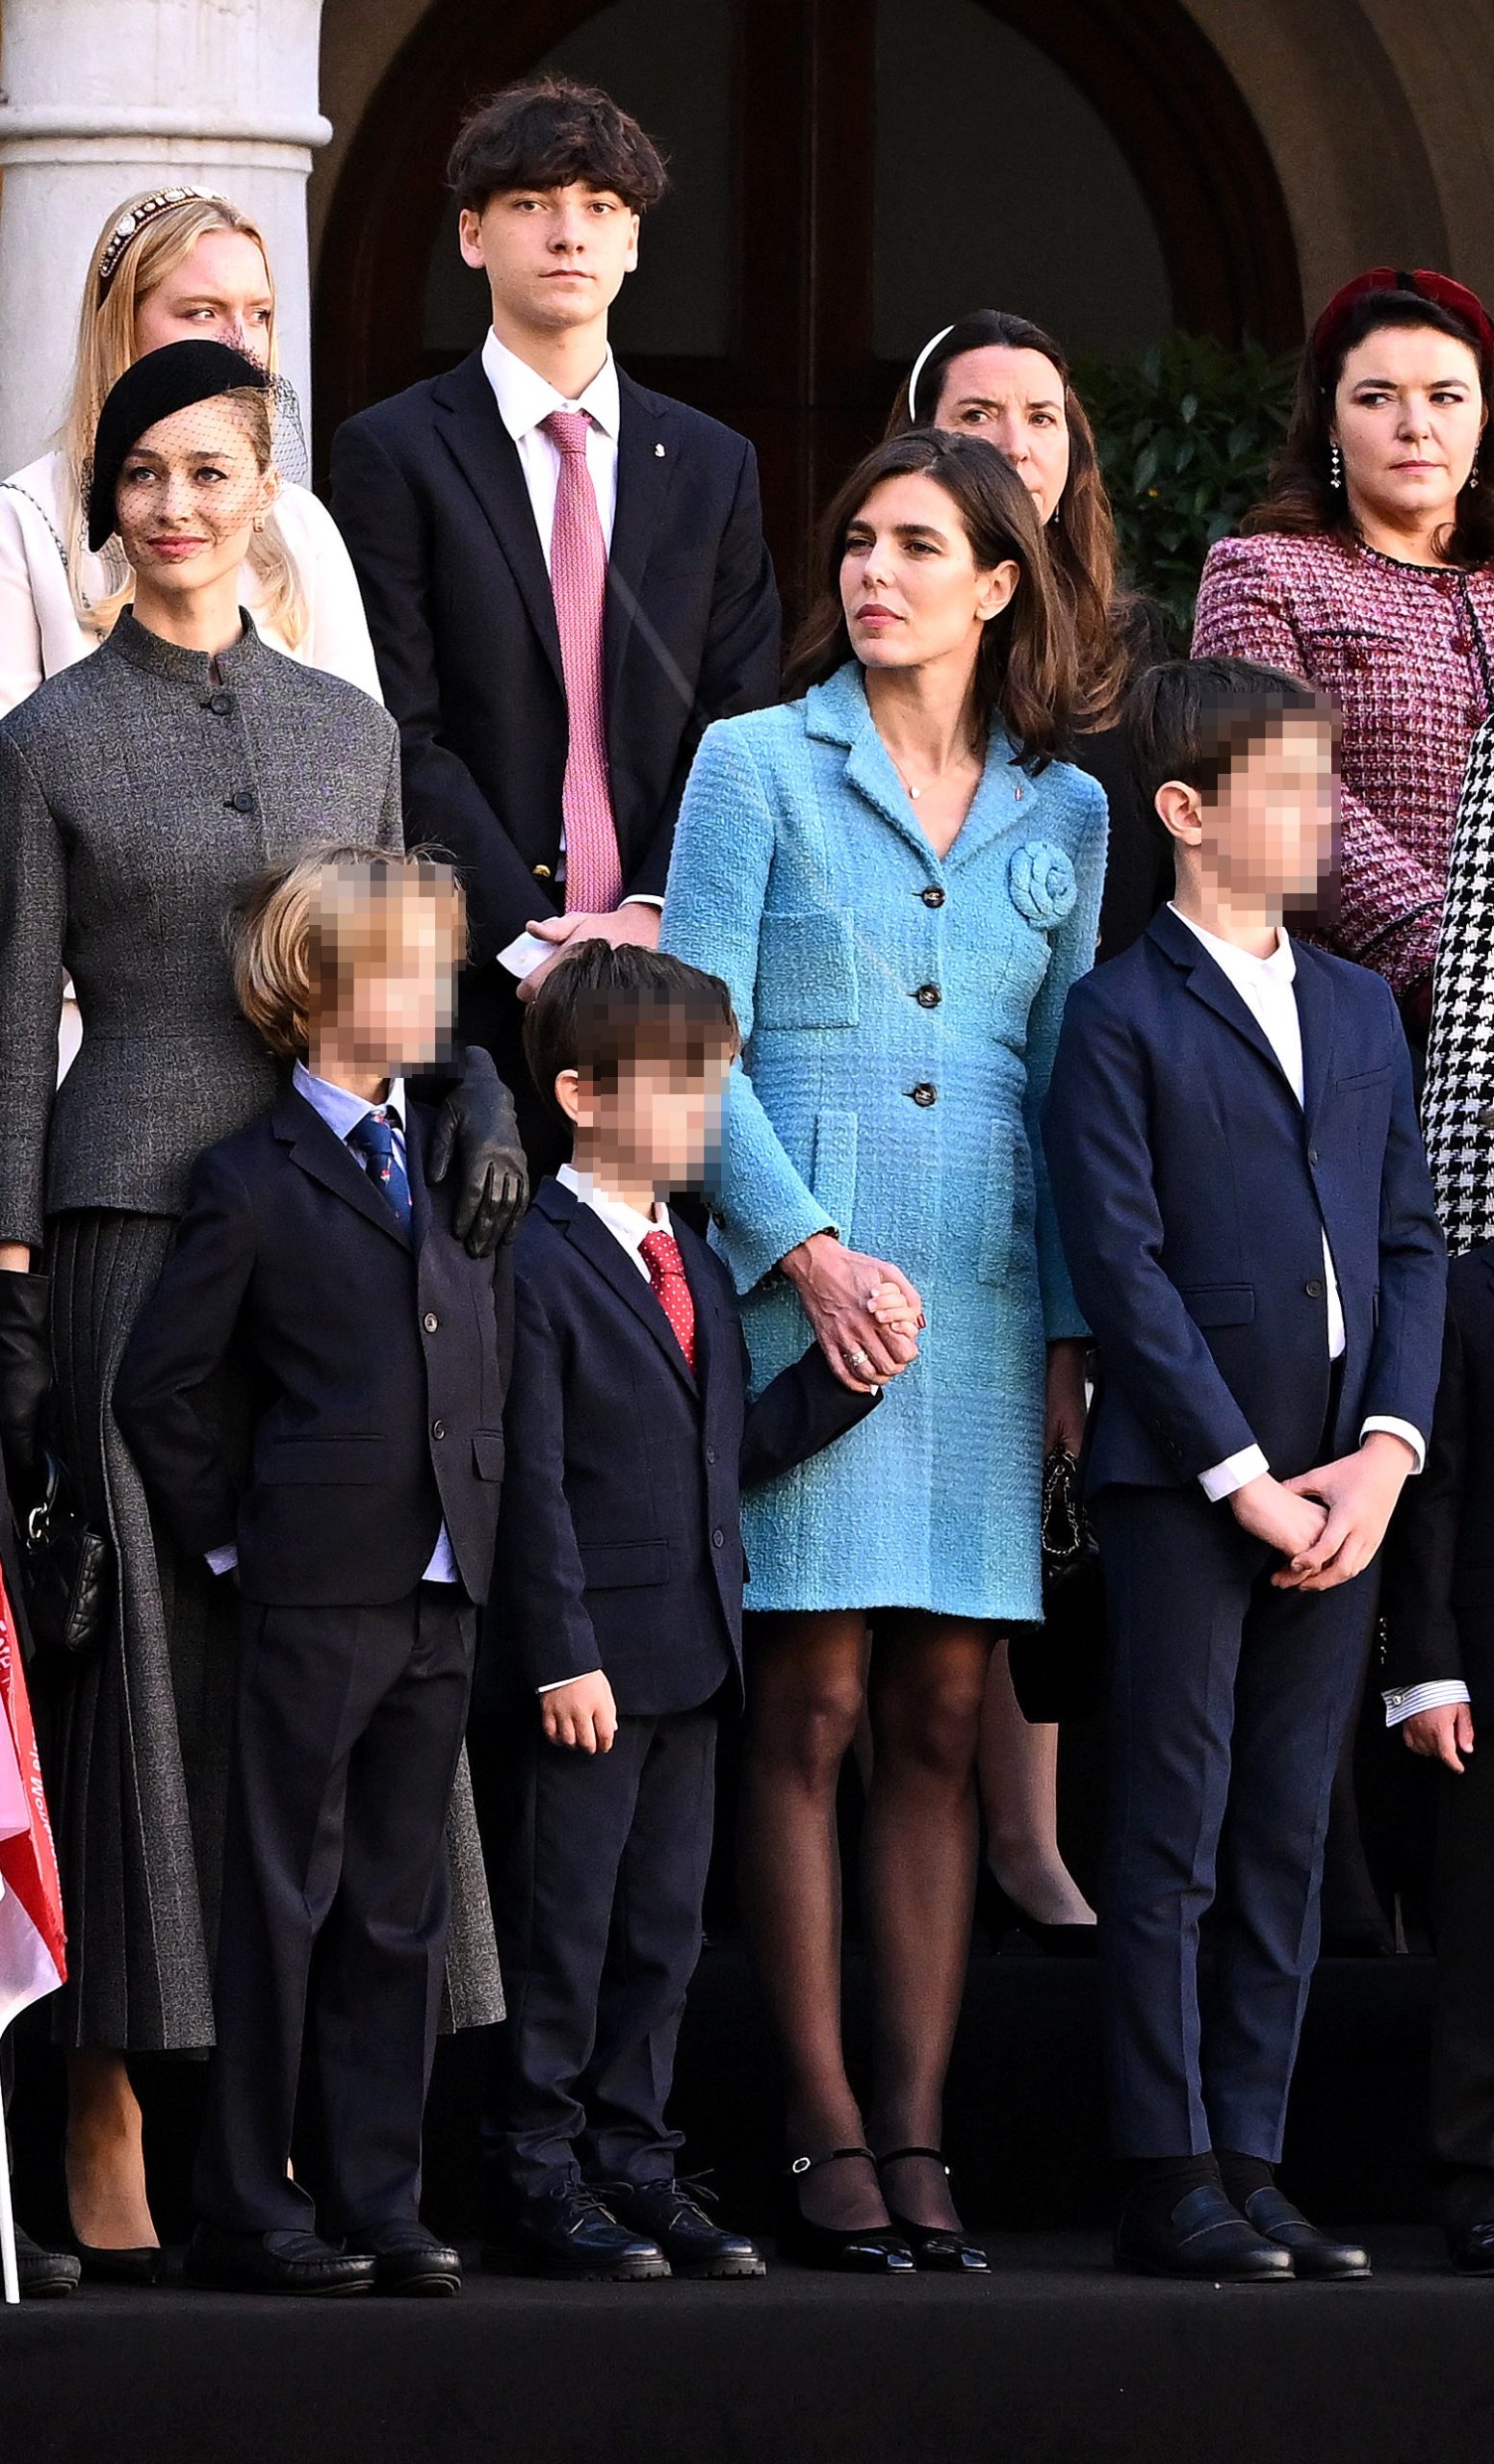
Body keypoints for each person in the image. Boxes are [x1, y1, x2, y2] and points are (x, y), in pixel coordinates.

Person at [0, 340, 522, 2276]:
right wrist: (15, 1287)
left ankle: (337, 2164)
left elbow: (404, 962)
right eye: (140, 473)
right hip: (134, 1223)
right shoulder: (48, 735)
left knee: (344, 1721)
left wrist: (466, 1082)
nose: (175, 506)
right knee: (160, 1711)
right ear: (103, 500)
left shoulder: (344, 729)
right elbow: (3, 1036)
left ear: (260, 485)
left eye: (210, 470)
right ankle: (148, 2145)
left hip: (353, 1240)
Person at [661, 429, 1106, 2270]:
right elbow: (690, 1040)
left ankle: (920, 2147)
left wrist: (1077, 1331)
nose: (873, 571)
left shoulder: (1067, 813)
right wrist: (810, 1256)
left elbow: (1075, 1082)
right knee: (813, 1705)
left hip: (992, 1303)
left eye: (919, 545)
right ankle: (821, 2135)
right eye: (856, 541)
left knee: (941, 1715)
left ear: (999, 584)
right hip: (799, 1295)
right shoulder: (753, 762)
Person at [1043, 657, 1446, 2282]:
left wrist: (1383, 1456)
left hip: (1338, 1483)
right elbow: (1122, 1269)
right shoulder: (1117, 1014)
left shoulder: (1357, 1004)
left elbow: (1407, 1240)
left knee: (1286, 1824)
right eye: (1288, 788)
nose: (1324, 817)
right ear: (1187, 815)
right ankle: (1165, 2164)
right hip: (1187, 1486)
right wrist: (1240, 1474)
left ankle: (1255, 2155)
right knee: (1172, 1822)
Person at [114, 847, 509, 2298]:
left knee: (401, 1905)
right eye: (407, 966)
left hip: (442, 1579)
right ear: (318, 990)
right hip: (314, 1579)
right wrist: (237, 1538)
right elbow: (163, 1387)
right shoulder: (252, 1178)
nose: (437, 993)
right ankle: (245, 2195)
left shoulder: (458, 1158)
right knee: (283, 1891)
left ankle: (378, 2194)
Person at [480, 940, 880, 2283]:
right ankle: (539, 2169)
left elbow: (724, 1456)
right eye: (679, 1085)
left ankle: (635, 2164)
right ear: (584, 1094)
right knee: (566, 1928)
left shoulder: (696, 1264)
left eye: (715, 1083)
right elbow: (526, 1484)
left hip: (697, 1660)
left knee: (660, 1935)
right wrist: (559, 1659)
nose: (707, 1111)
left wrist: (851, 1382)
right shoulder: (533, 1263)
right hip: (588, 1672)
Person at [329, 76, 781, 1172]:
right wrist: (532, 947)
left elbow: (740, 713)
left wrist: (650, 909)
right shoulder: (393, 452)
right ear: (474, 235)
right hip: (466, 987)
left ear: (632, 241)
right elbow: (396, 723)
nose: (568, 231)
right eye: (532, 203)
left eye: (599, 205)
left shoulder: (714, 464)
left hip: (665, 981)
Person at [890, 308, 1172, 1951]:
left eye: (1041, 418)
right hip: (955, 1109)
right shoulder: (894, 651)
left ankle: (1050, 1827)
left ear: (1073, 458)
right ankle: (994, 1835)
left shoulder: (1134, 663)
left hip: (1120, 1108)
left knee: (1069, 1478)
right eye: (976, 414)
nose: (1013, 440)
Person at [1193, 267, 1494, 1040]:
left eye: (1446, 396)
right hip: (1341, 1022)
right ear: (1329, 421)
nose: (1415, 424)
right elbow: (1265, 782)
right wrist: (1453, 964)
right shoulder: (1263, 572)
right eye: (1376, 396)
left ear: (1484, 418)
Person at [0, 183, 380, 711]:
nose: (243, 344)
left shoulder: (297, 519)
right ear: (121, 323)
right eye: (203, 312)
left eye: (260, 315)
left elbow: (356, 742)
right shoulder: (24, 520)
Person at [1381, 1244, 1494, 2274]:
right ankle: (1477, 2178)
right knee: (1481, 1939)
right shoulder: (1469, 1289)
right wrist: (1425, 1670)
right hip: (1481, 1682)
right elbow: (1434, 1493)